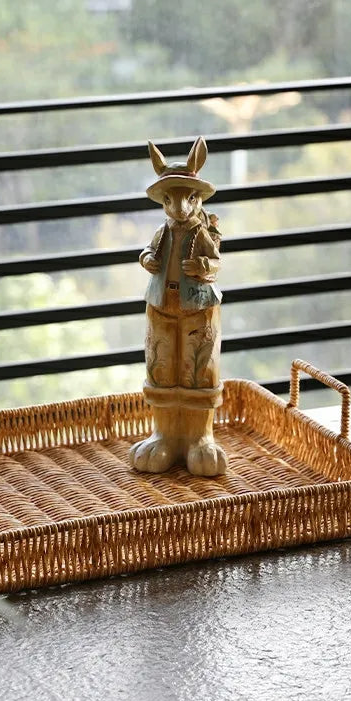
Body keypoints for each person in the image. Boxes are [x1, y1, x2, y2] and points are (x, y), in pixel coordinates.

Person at [129, 136, 228, 477]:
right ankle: (165, 434)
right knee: (162, 367)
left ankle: (199, 437)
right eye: (170, 200)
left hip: (197, 307)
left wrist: (202, 267)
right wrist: (147, 260)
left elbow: (216, 263)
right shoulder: (163, 232)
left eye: (190, 198)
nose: (180, 208)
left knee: (198, 369)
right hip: (162, 305)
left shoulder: (202, 234)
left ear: (198, 199)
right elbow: (147, 252)